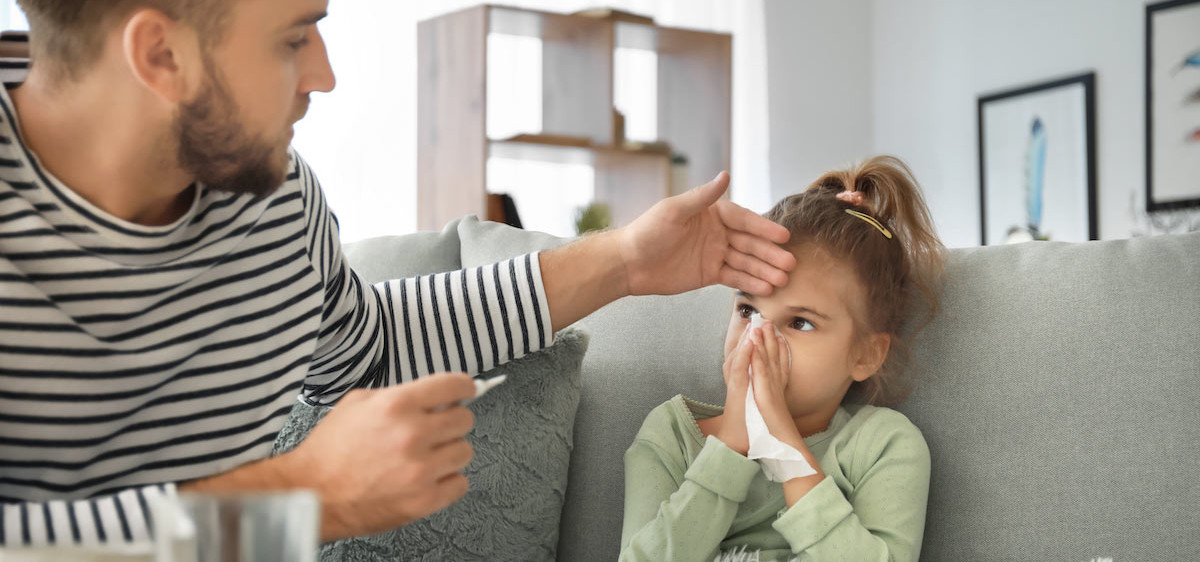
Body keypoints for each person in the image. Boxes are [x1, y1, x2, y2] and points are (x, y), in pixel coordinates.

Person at [0, 0, 799, 548]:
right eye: (292, 37)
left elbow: (368, 344)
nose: (324, 74)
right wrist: (296, 500)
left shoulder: (272, 202)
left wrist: (624, 260)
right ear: (160, 54)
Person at [619, 156, 947, 561]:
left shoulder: (882, 446)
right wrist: (732, 445)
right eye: (747, 311)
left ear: (866, 354)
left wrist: (785, 452)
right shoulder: (673, 434)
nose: (758, 338)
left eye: (800, 323)